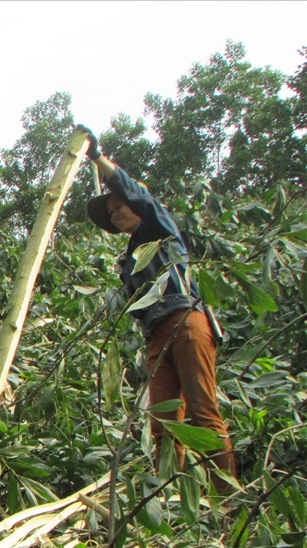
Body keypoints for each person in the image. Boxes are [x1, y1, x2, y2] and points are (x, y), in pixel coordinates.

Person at [79, 124, 237, 494]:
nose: (117, 213)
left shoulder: (159, 227)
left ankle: (230, 499)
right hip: (156, 335)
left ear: (137, 205)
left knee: (201, 410)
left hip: (185, 322)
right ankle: (169, 504)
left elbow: (137, 194)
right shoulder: (131, 256)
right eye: (113, 211)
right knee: (163, 423)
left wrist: (98, 159)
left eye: (121, 205)